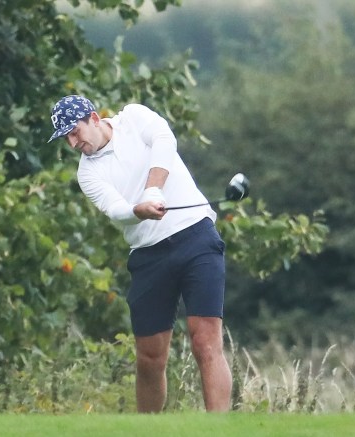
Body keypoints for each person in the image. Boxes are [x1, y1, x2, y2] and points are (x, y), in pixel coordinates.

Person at [48, 95, 232, 412]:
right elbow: (116, 209)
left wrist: (153, 190)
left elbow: (165, 140)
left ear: (93, 118)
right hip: (148, 255)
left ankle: (219, 430)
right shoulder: (87, 173)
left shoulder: (134, 118)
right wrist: (139, 209)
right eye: (66, 137)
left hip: (196, 236)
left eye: (75, 131)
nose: (73, 142)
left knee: (205, 342)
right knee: (149, 357)